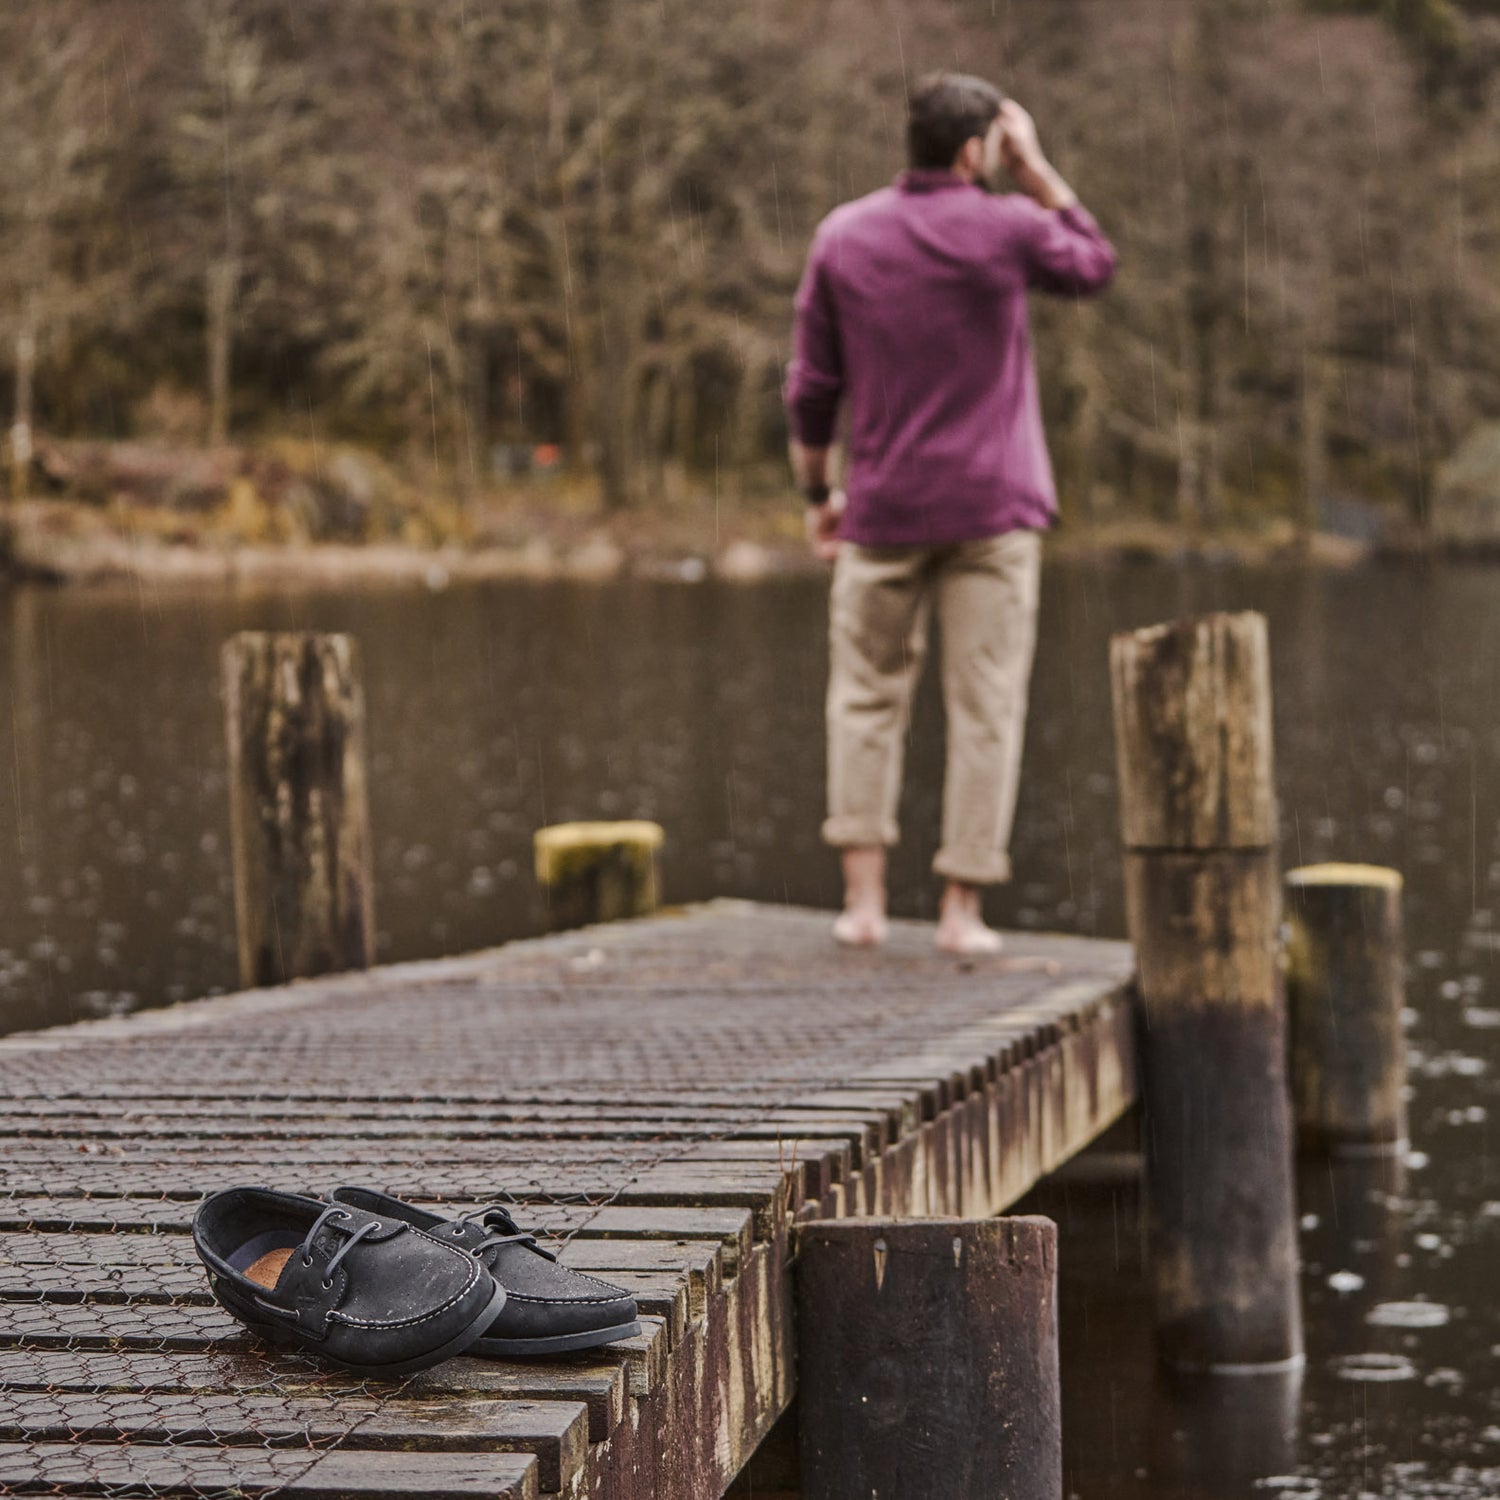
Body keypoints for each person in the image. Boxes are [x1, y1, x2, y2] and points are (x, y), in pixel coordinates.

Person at [785, 72, 1116, 954]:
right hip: (991, 512)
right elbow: (1093, 264)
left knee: (864, 701)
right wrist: (1040, 173)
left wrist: (820, 497)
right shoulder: (1007, 229)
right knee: (985, 707)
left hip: (883, 509)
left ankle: (862, 907)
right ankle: (960, 912)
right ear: (978, 151)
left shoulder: (845, 236)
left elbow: (811, 388)